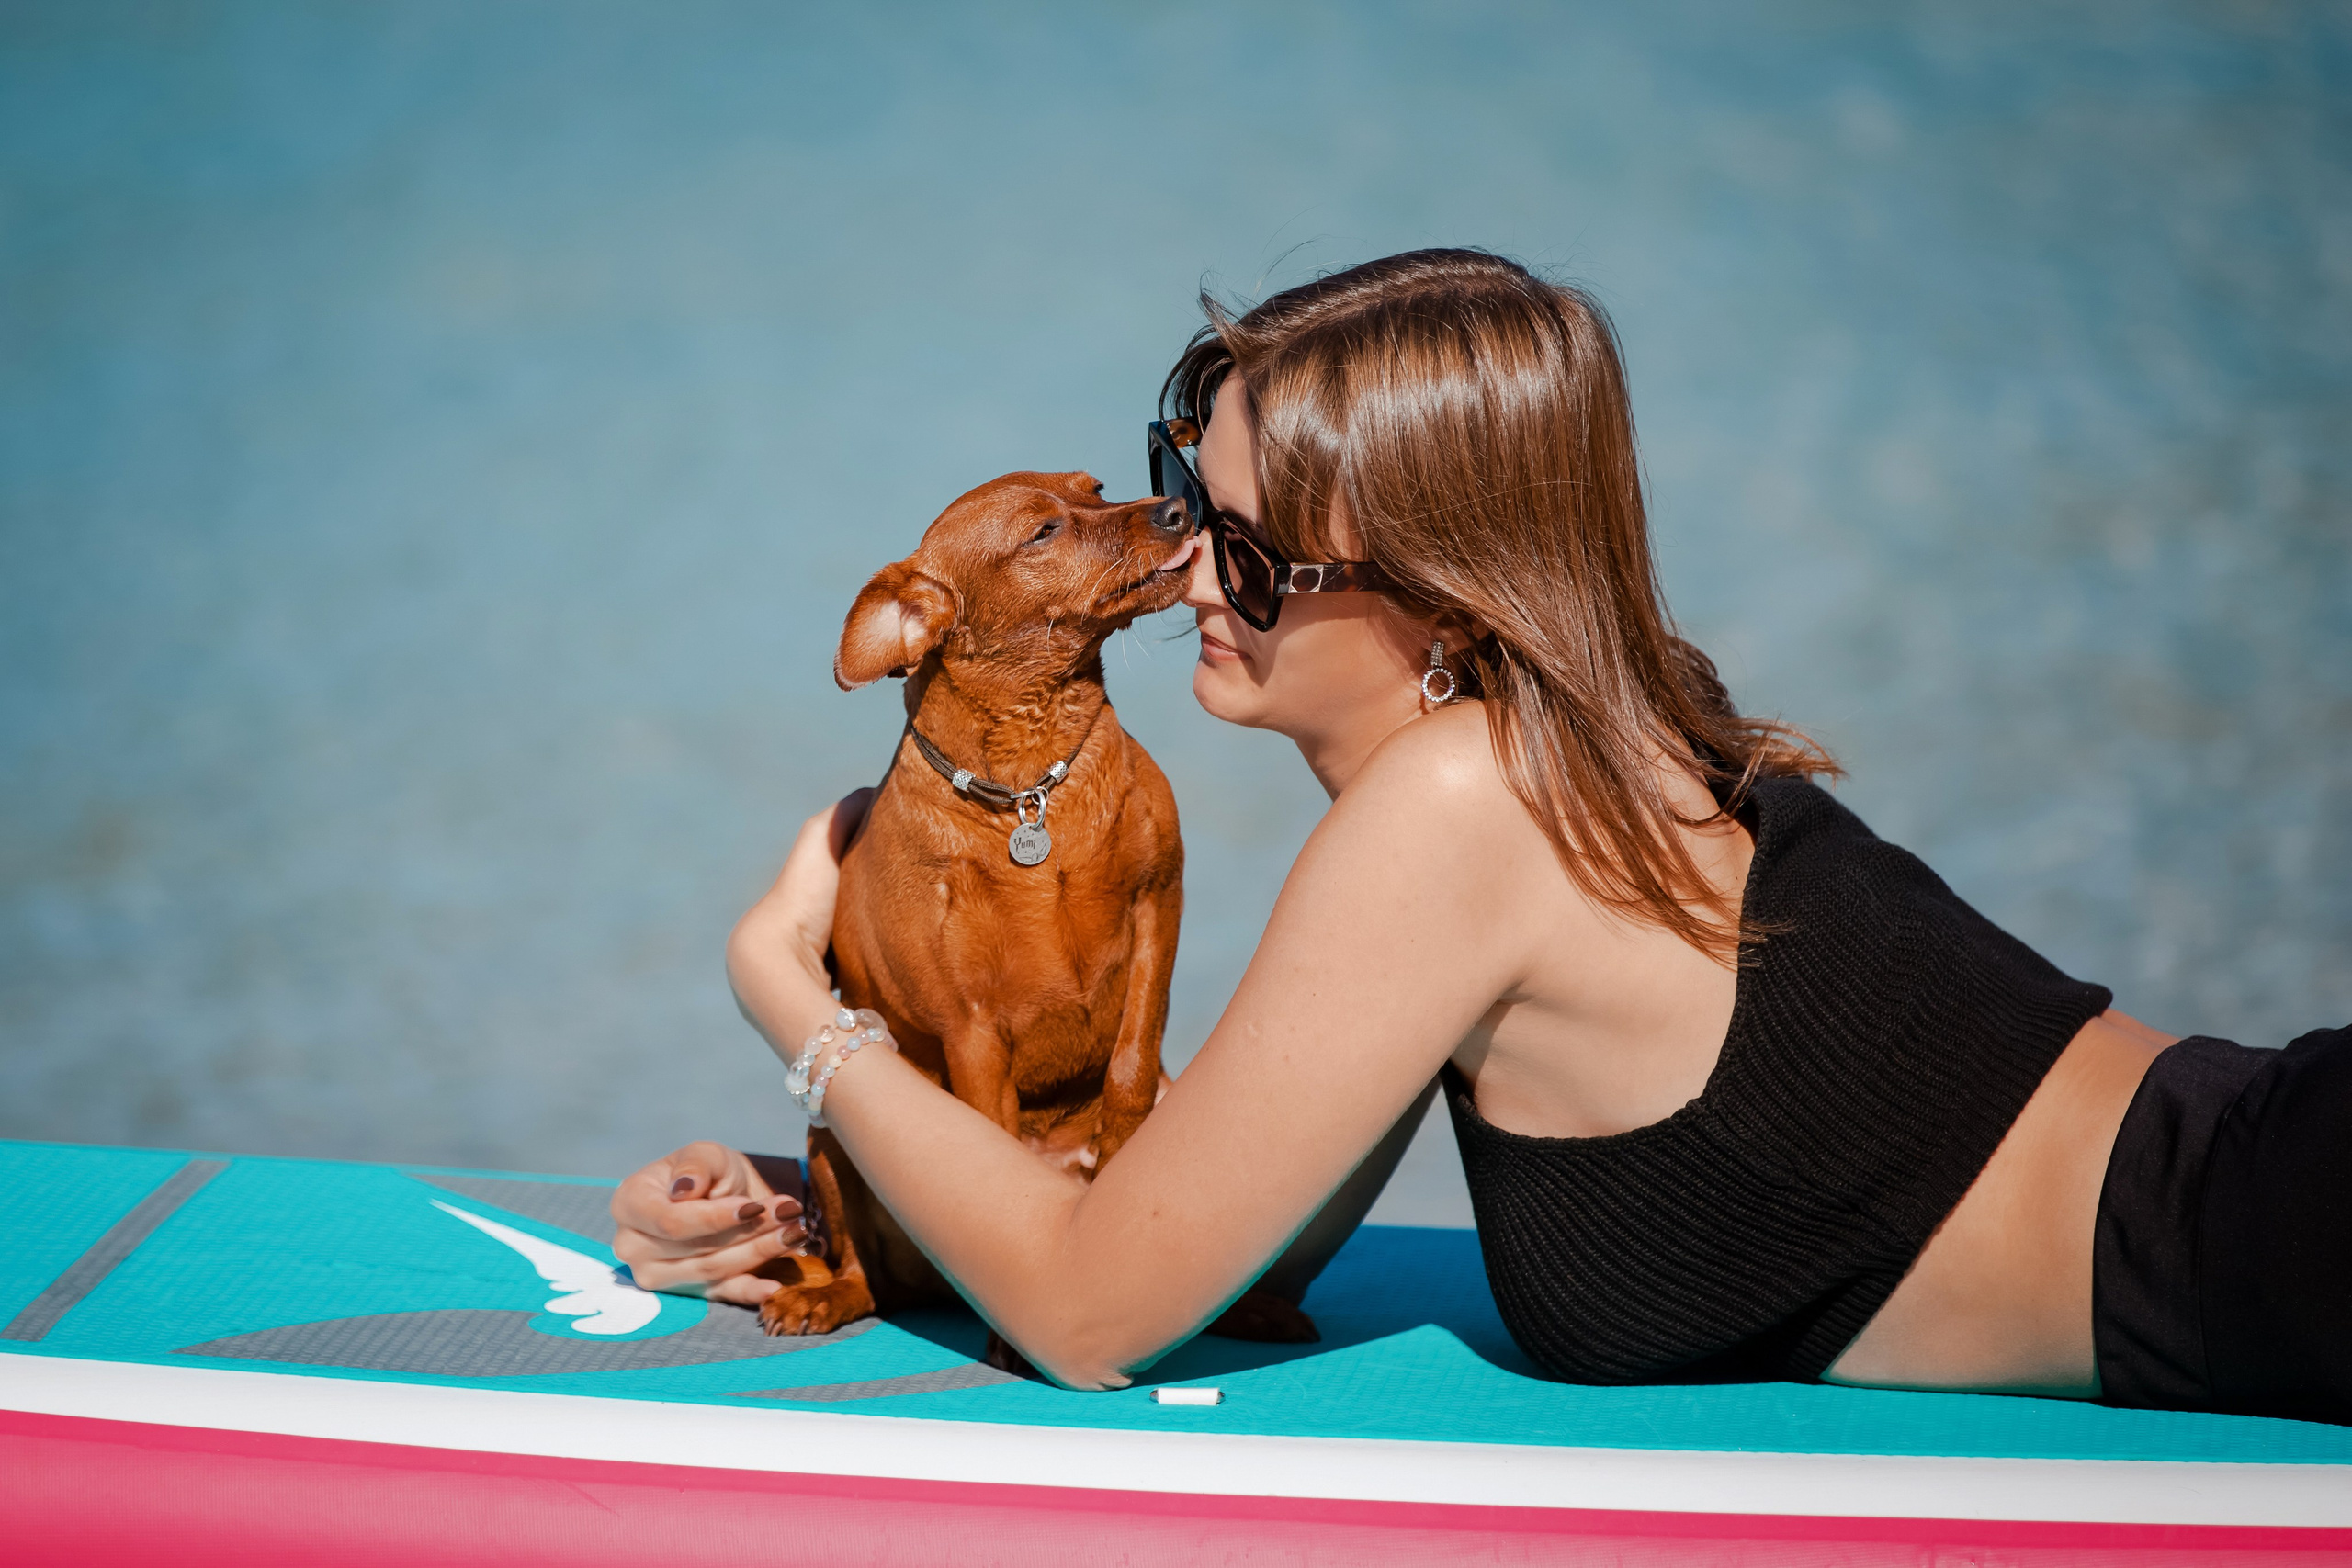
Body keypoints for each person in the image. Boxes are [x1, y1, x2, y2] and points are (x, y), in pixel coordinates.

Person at [612, 250, 2347, 1425]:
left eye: (1256, 554)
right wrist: (817, 1217)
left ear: (1446, 593)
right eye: (1184, 493)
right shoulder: (1548, 749)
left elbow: (1083, 1314)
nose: (1184, 576)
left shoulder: (1463, 809)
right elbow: (1217, 1223)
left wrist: (797, 1006)